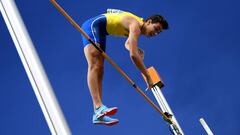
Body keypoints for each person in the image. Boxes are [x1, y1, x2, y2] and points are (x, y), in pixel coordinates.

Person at [81, 9, 169, 126]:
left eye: (159, 32)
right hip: (93, 26)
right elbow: (133, 56)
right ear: (149, 22)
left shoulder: (137, 26)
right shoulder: (135, 25)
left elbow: (128, 44)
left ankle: (98, 110)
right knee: (95, 64)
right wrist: (147, 76)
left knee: (100, 69)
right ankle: (98, 108)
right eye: (156, 29)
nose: (156, 33)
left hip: (101, 30)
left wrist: (136, 50)